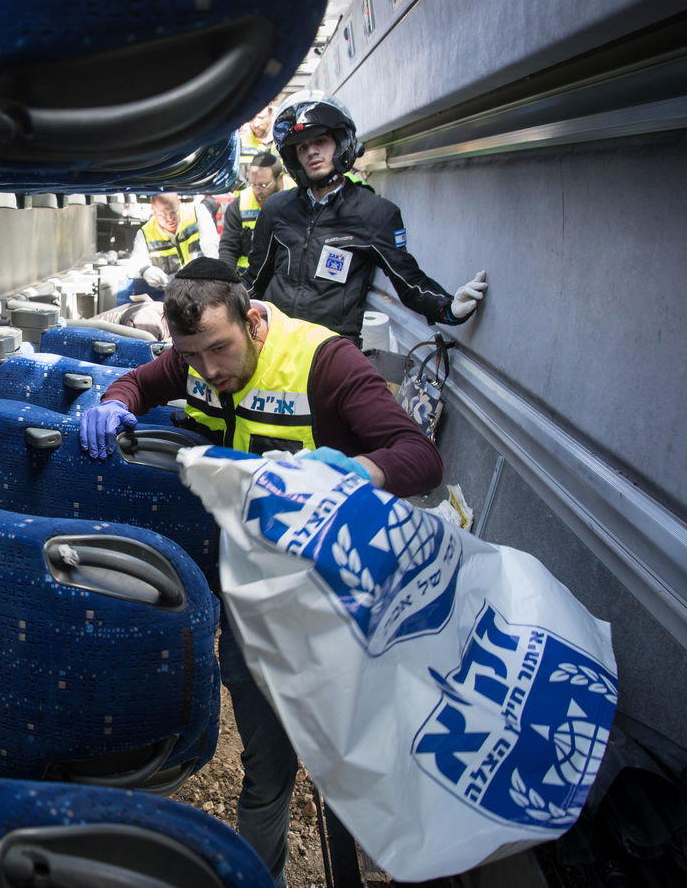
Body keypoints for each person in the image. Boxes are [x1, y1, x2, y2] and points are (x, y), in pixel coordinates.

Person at [78, 257, 442, 886]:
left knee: (345, 762)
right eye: (192, 357)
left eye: (219, 349)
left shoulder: (325, 364)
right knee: (267, 763)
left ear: (252, 321)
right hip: (251, 593)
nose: (208, 371)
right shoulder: (194, 357)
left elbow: (420, 456)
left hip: (332, 597)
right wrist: (112, 402)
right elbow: (139, 382)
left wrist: (358, 470)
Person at [243, 91, 488, 344]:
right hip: (275, 342)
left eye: (320, 141)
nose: (311, 152)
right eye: (302, 147)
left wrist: (447, 308)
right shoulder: (276, 209)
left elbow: (408, 281)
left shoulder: (375, 213)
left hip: (332, 349)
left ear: (340, 141)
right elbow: (254, 278)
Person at [125, 192, 220, 295]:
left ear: (179, 204)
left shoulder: (197, 213)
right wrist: (145, 270)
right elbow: (135, 264)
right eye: (162, 214)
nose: (169, 219)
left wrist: (210, 271)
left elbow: (211, 246)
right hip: (171, 294)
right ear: (153, 210)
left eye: (173, 212)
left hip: (203, 288)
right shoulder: (145, 233)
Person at [218, 151, 284, 271]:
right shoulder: (239, 205)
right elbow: (228, 248)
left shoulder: (298, 198)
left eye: (263, 185)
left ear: (280, 179)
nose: (257, 191)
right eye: (253, 184)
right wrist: (226, 277)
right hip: (249, 275)